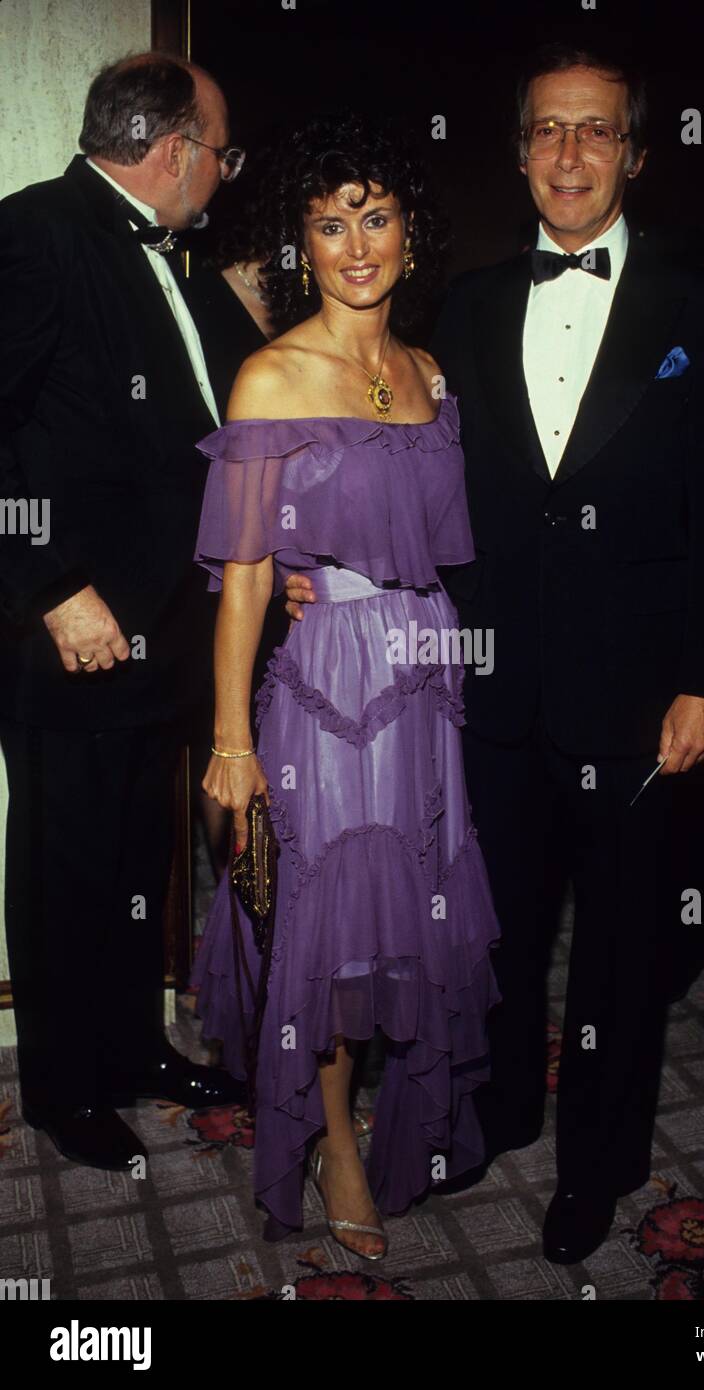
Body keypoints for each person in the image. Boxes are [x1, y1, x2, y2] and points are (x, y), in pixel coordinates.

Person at [286, 44, 704, 1264]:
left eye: (594, 131)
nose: (566, 155)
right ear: (516, 151)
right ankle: (489, 1115)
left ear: (634, 152)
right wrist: (313, 551)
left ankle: (597, 1167)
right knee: (486, 927)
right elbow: (414, 467)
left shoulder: (701, 306)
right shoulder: (476, 304)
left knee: (616, 943)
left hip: (639, 694)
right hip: (485, 687)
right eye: (546, 130)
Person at [191, 113, 500, 1259]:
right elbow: (244, 577)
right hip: (324, 686)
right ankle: (331, 1139)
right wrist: (231, 739)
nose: (355, 242)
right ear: (303, 248)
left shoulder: (426, 374)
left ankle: (387, 1110)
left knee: (408, 916)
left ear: (409, 235)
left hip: (424, 682)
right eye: (330, 224)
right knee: (322, 919)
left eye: (374, 217)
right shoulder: (270, 374)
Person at [0, 52, 245, 1171]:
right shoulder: (37, 230)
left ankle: (134, 1045)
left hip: (164, 633)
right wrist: (51, 586)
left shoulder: (178, 259)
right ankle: (60, 1086)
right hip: (74, 632)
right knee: (67, 863)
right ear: (175, 149)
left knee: (138, 857)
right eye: (221, 153)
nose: (224, 174)